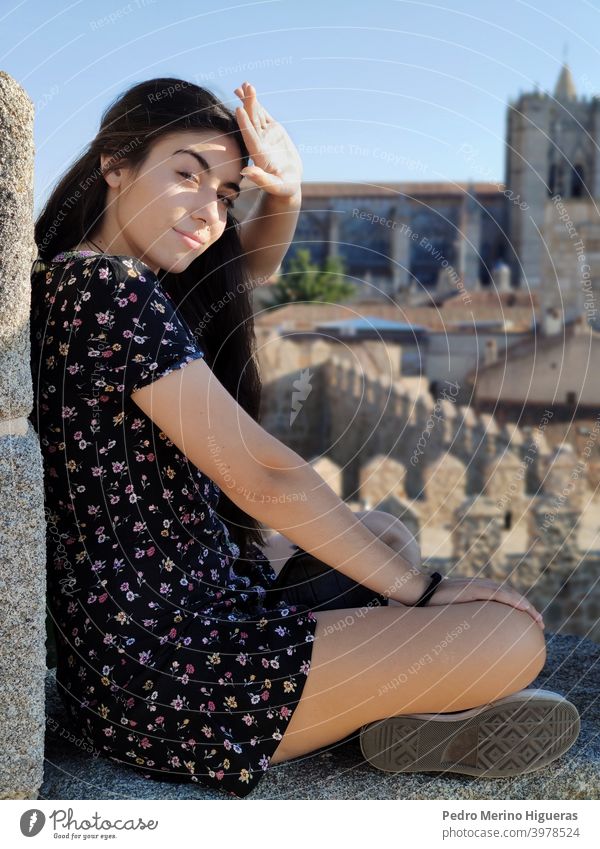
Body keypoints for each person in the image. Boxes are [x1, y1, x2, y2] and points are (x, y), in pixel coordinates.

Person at [30, 76, 579, 800]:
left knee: (382, 532)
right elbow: (263, 476)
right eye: (187, 174)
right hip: (168, 675)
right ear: (116, 164)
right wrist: (428, 591)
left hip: (156, 633)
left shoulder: (86, 280)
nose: (208, 209)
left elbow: (237, 272)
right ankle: (398, 707)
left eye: (226, 195)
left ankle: (392, 712)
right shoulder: (112, 293)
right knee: (510, 637)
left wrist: (282, 195)